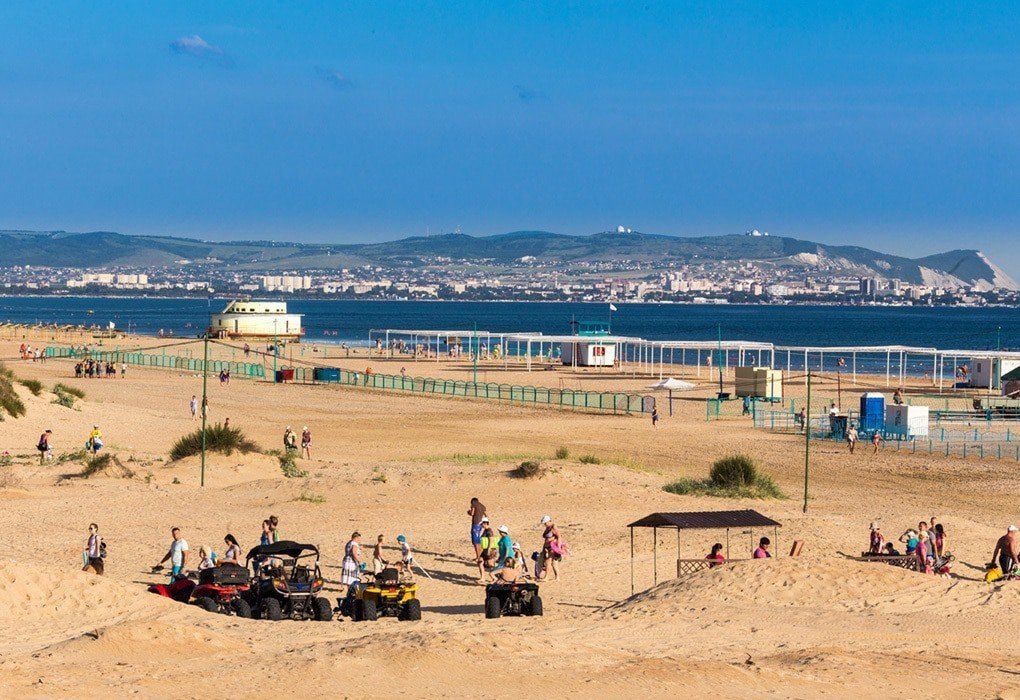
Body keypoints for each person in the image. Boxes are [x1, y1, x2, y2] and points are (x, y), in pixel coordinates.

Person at [468, 497, 487, 562]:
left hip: (475, 524)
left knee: (475, 542)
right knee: (479, 541)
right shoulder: (482, 506)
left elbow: (472, 513)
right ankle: (479, 556)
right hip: (481, 524)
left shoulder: (474, 503)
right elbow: (486, 515)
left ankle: (478, 557)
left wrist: (469, 512)